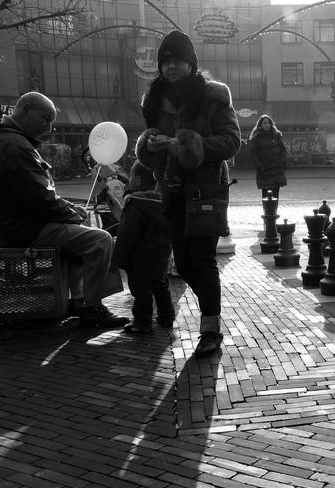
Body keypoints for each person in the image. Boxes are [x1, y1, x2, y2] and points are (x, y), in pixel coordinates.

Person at [135, 30, 241, 356]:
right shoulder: (154, 99)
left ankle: (210, 329)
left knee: (203, 260)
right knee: (182, 262)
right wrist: (151, 145)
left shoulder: (213, 95)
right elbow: (151, 145)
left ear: (191, 63)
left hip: (206, 189)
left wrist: (185, 144)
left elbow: (231, 141)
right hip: (172, 187)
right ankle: (211, 309)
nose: (171, 66)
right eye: (165, 61)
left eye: (177, 60)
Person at [0, 92, 129, 327]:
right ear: (26, 109)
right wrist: (71, 213)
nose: (49, 127)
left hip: (13, 222)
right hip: (22, 227)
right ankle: (92, 307)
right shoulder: (13, 145)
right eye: (46, 118)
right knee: (100, 240)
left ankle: (78, 299)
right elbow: (39, 198)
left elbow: (35, 193)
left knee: (81, 228)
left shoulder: (5, 138)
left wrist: (69, 210)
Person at [110, 185, 175, 333]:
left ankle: (142, 322)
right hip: (162, 254)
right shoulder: (162, 204)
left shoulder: (135, 207)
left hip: (140, 258)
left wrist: (115, 261)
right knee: (161, 285)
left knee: (141, 290)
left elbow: (126, 236)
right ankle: (167, 317)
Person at [248, 114, 287, 200]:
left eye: (269, 123)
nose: (267, 125)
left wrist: (282, 162)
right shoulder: (256, 137)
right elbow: (253, 154)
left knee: (275, 195)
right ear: (260, 125)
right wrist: (260, 167)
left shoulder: (276, 135)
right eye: (265, 123)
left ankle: (274, 208)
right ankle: (267, 209)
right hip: (264, 170)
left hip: (277, 169)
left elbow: (283, 149)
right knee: (266, 195)